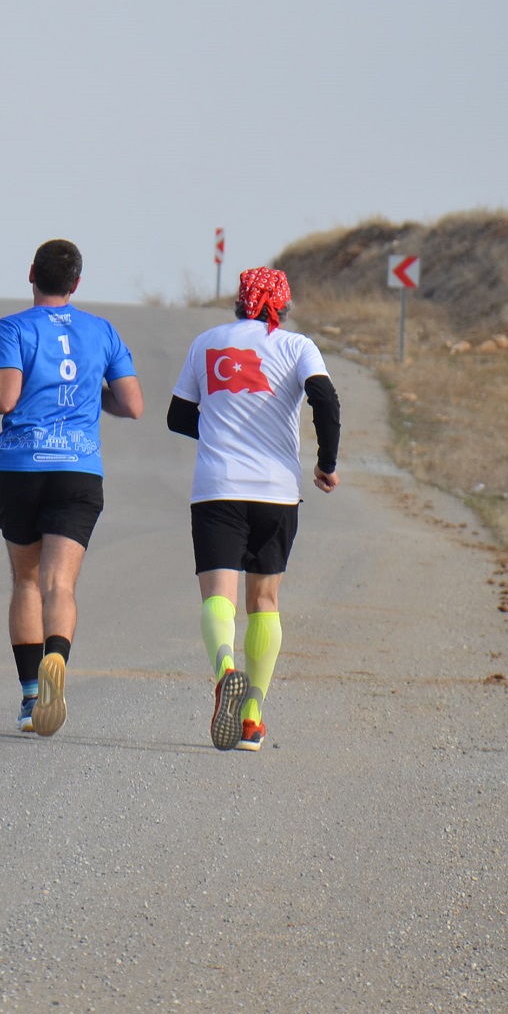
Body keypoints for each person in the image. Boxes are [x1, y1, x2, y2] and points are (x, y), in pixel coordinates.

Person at [167, 266, 340, 751]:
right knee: (264, 602)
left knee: (217, 598)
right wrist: (326, 462)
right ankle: (252, 720)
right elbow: (325, 399)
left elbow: (178, 416)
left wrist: (223, 432)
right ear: (282, 307)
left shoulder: (207, 342)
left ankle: (225, 669)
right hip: (276, 491)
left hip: (218, 487)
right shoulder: (297, 346)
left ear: (239, 302)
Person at [0, 239, 143, 736]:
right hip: (79, 469)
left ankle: (33, 696)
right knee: (61, 584)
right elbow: (132, 404)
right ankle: (58, 656)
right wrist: (92, 399)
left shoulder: (12, 328)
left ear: (31, 273)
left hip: (22, 468)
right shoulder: (102, 330)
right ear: (76, 283)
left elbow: (4, 396)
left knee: (26, 581)